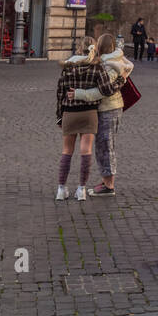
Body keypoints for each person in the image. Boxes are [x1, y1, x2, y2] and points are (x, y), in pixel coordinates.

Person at [55, 39, 123, 200]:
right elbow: (106, 90)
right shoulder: (97, 67)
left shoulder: (67, 68)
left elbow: (59, 94)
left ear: (79, 48)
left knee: (67, 151)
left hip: (69, 113)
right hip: (89, 113)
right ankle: (81, 190)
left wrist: (59, 116)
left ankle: (61, 189)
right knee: (86, 151)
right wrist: (120, 81)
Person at [67, 32, 132, 198]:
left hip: (109, 108)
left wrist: (79, 94)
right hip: (110, 108)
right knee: (103, 145)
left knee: (105, 145)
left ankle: (109, 185)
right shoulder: (113, 60)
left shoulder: (109, 65)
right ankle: (106, 180)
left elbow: (102, 92)